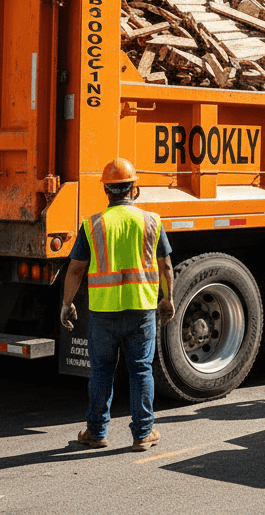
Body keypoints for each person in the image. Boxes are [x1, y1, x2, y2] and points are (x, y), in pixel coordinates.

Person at [60, 158, 175, 451]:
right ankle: (142, 434)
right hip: (141, 310)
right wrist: (167, 298)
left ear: (106, 191)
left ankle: (97, 433)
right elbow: (166, 266)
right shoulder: (151, 220)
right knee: (140, 370)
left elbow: (75, 269)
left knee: (101, 371)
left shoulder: (93, 224)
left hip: (104, 312)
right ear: (133, 189)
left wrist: (67, 303)